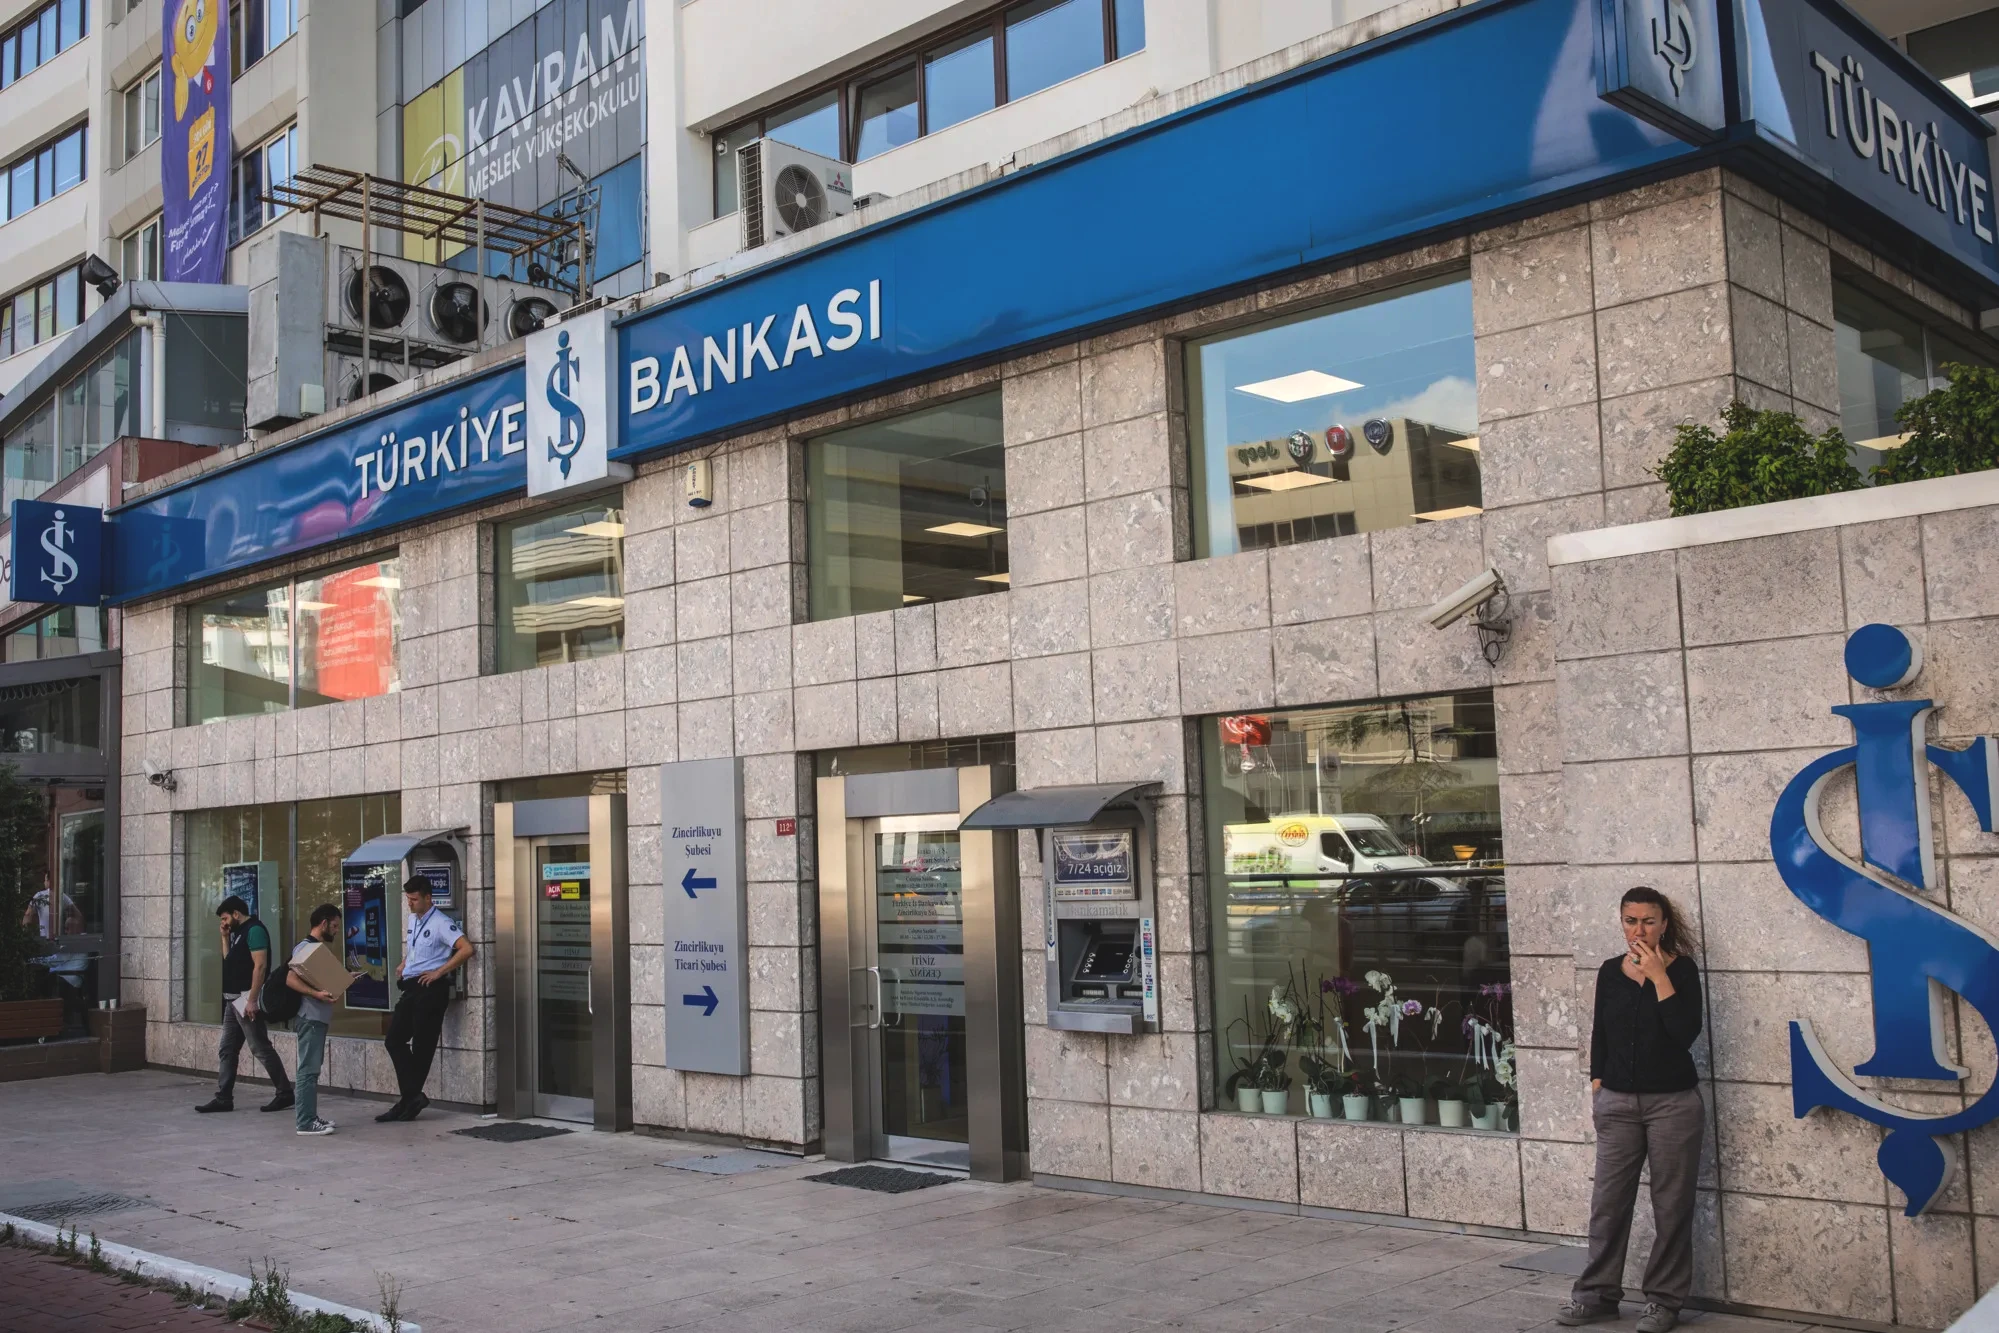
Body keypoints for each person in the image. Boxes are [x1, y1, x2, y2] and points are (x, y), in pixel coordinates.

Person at [1558, 887, 1705, 1333]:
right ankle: (1597, 1297)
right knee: (1608, 1204)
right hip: (1617, 1103)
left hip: (1672, 1104)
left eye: (1648, 921)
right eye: (1630, 920)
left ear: (1664, 924)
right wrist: (1597, 1082)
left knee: (1671, 1206)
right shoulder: (1609, 971)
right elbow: (1600, 1032)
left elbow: (1684, 1034)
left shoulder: (1683, 970)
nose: (1638, 929)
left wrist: (1659, 977)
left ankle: (1663, 1302)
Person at [377, 876, 473, 1122]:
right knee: (394, 1040)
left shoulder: (441, 923)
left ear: (428, 898)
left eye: (414, 899)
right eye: (407, 899)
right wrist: (404, 963)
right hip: (412, 987)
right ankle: (412, 1097)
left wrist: (439, 971)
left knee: (422, 1047)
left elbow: (466, 948)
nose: (409, 903)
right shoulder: (414, 919)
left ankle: (408, 1101)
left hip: (430, 989)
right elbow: (417, 948)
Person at [195, 896, 295, 1115]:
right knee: (227, 1049)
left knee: (259, 1047)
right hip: (233, 1001)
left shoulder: (254, 930)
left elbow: (260, 966)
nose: (223, 923)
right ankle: (224, 1098)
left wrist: (252, 1000)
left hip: (245, 1001)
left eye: (225, 918)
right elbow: (229, 961)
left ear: (236, 914)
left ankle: (285, 1092)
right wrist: (224, 938)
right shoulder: (237, 933)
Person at [286, 904, 344, 1136]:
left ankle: (310, 1115)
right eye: (335, 926)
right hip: (310, 1017)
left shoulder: (315, 948)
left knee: (311, 1070)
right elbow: (291, 979)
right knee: (308, 1071)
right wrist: (316, 994)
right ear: (323, 923)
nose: (337, 931)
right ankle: (305, 1122)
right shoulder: (306, 948)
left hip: (316, 1017)